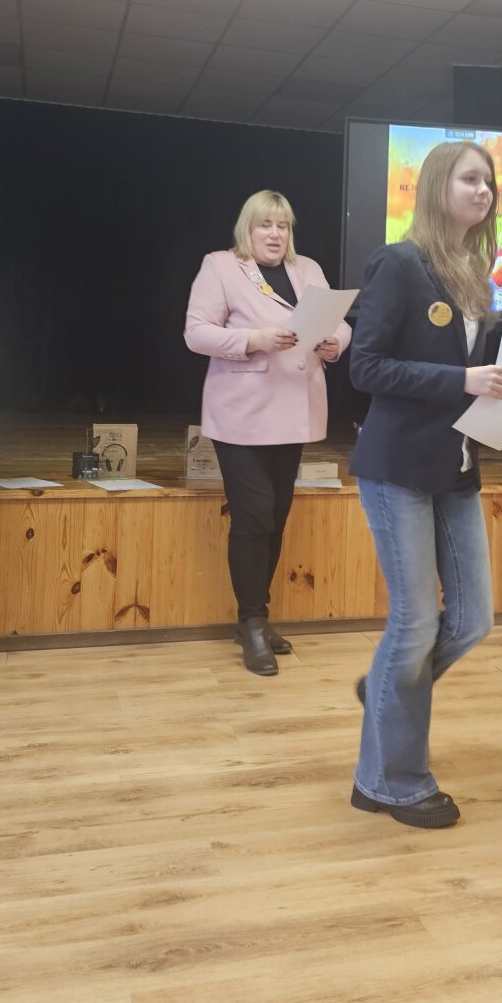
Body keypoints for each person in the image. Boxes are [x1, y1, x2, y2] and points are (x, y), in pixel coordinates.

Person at [348, 140, 502, 829]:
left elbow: (479, 378)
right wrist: (462, 380)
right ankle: (395, 782)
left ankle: (386, 690)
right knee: (416, 623)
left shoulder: (475, 271)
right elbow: (366, 367)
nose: (484, 191)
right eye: (470, 178)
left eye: (489, 182)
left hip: (457, 468)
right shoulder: (399, 263)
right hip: (397, 466)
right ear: (436, 187)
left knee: (472, 619)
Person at [185, 189, 350, 676]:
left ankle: (257, 618)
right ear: (248, 229)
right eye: (265, 225)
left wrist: (334, 343)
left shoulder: (308, 269)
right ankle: (251, 622)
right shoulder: (221, 266)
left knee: (276, 516)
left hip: (293, 412)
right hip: (242, 413)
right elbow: (196, 332)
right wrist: (254, 340)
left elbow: (340, 325)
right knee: (254, 515)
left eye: (283, 226)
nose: (275, 234)